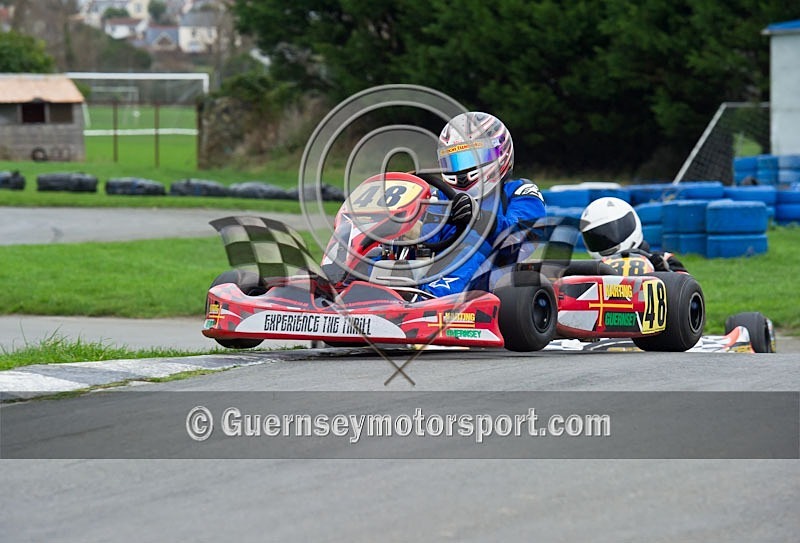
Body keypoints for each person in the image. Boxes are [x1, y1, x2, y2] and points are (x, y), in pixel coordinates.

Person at [420, 111, 547, 296]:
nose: (462, 170)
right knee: (381, 256)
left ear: (500, 153)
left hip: (494, 273)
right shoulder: (439, 198)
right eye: (454, 161)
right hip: (437, 270)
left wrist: (479, 218)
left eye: (471, 158)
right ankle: (386, 299)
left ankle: (428, 300)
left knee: (467, 254)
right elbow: (425, 245)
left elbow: (522, 237)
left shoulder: (520, 192)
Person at [579, 197, 687, 273]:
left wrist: (664, 271)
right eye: (597, 239)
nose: (605, 241)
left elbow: (687, 290)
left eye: (610, 233)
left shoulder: (664, 260)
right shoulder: (593, 271)